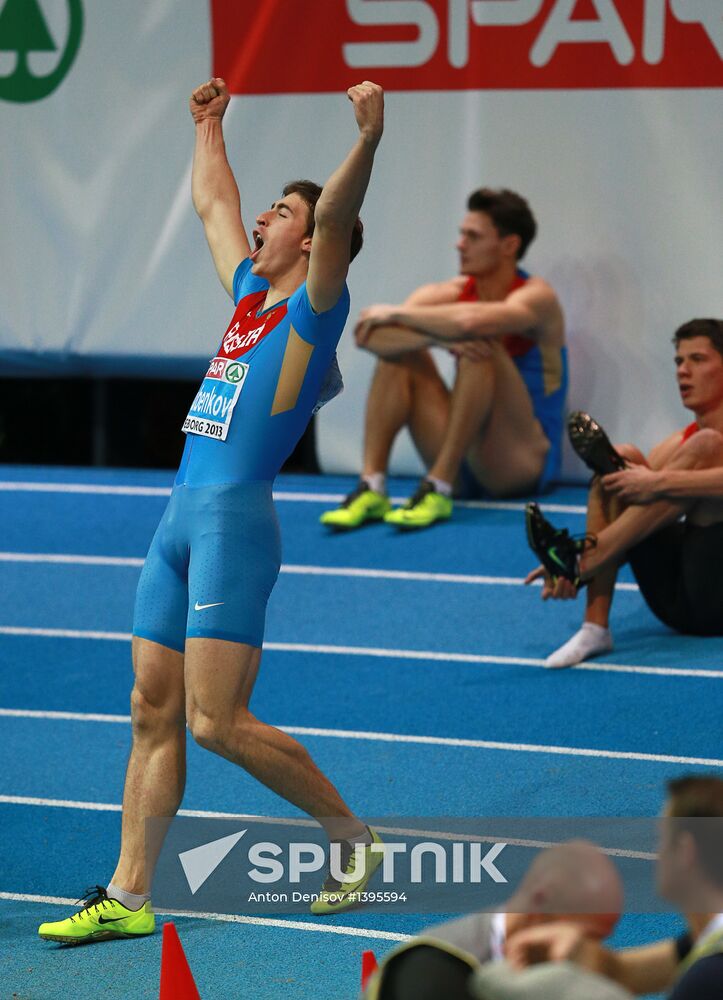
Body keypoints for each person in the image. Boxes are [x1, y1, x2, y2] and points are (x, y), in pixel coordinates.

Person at [38, 76, 386, 945]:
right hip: (176, 524)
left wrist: (366, 141)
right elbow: (210, 203)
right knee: (151, 709)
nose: (262, 218)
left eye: (282, 211)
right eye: (267, 208)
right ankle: (128, 893)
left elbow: (338, 217)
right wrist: (207, 126)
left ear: (309, 243)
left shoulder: (314, 310)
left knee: (215, 722)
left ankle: (354, 841)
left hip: (234, 525)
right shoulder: (245, 298)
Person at [320, 188, 567, 530]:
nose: (460, 244)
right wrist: (434, 337)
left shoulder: (537, 297)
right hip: (466, 457)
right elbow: (368, 335)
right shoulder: (446, 294)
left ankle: (437, 485)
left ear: (509, 245)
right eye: (461, 234)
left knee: (479, 342)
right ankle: (373, 486)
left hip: (520, 460)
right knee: (399, 352)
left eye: (473, 236)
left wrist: (396, 313)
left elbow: (471, 323)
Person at [525, 318, 723, 666]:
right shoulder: (681, 442)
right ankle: (594, 627)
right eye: (678, 361)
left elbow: (662, 485)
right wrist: (638, 480)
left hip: (717, 601)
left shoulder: (699, 445)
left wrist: (657, 482)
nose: (683, 371)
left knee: (703, 448)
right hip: (678, 601)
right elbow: (643, 502)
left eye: (698, 359)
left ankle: (583, 560)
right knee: (622, 463)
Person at [505, 775, 723, 999]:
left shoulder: (708, 979)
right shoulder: (709, 943)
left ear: (686, 851)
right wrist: (582, 953)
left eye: (662, 839)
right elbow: (626, 970)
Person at [363, 839, 623, 999]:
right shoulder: (434, 975)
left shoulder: (554, 965)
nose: (592, 952)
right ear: (540, 902)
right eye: (588, 936)